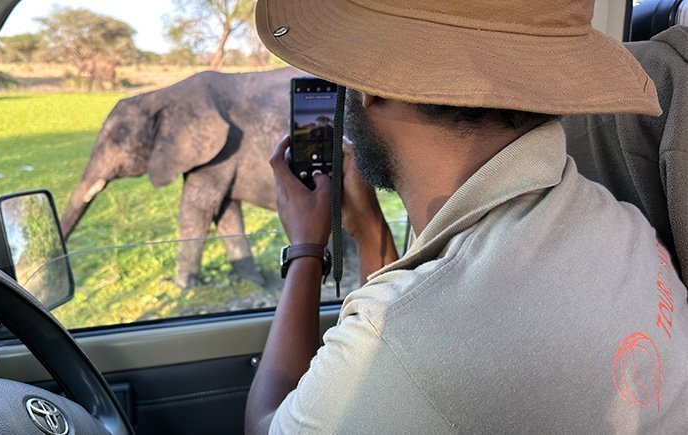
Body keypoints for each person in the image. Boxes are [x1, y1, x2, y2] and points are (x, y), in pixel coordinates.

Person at [245, 0, 688, 433]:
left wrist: (305, 249)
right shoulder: (618, 220)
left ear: (370, 84)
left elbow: (267, 425)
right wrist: (368, 230)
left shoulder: (405, 337)